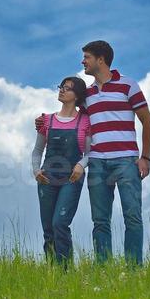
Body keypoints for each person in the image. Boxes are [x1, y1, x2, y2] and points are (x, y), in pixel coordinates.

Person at [37, 39, 150, 265]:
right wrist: (42, 123)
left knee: (132, 217)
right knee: (100, 221)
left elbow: (147, 122)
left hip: (127, 161)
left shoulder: (128, 86)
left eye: (87, 57)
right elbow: (69, 117)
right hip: (98, 163)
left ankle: (133, 269)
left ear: (101, 59)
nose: (83, 62)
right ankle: (104, 269)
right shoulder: (87, 95)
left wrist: (145, 157)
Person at [31, 77, 90, 265]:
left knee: (60, 224)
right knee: (48, 229)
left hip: (71, 179)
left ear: (77, 96)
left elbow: (90, 152)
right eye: (61, 87)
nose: (62, 90)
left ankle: (65, 271)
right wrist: (35, 170)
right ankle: (52, 273)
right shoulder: (46, 120)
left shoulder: (85, 122)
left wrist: (81, 165)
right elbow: (38, 150)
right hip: (46, 179)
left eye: (68, 88)